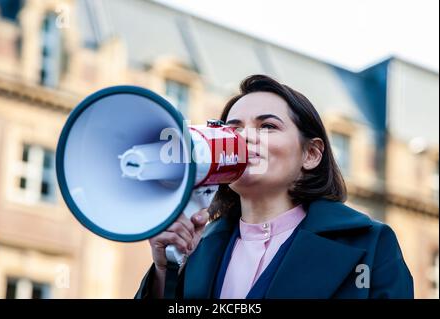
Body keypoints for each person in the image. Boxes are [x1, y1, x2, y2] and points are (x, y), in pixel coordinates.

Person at [135, 74, 413, 299]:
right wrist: (165, 270)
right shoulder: (198, 250)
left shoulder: (371, 244)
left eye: (267, 126)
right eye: (233, 129)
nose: (244, 137)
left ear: (311, 154)